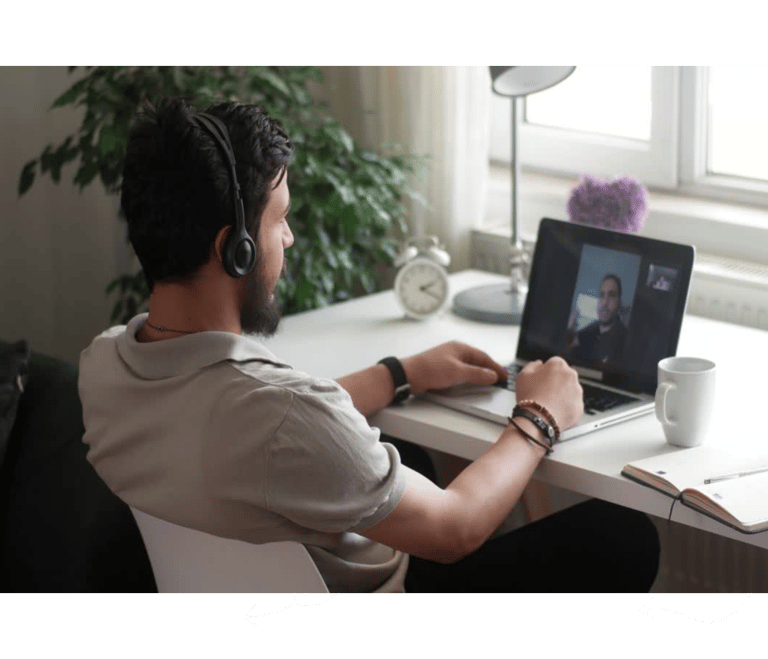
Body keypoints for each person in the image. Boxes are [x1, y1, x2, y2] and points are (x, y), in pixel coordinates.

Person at [78, 98, 659, 593]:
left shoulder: (104, 365)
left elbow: (266, 433)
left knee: (418, 458)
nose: (291, 236)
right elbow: (453, 530)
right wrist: (539, 417)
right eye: (280, 218)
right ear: (237, 249)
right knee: (621, 535)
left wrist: (399, 373)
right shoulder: (278, 414)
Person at [568, 274, 628, 365]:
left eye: (611, 295)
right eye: (602, 295)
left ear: (619, 301)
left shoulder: (625, 340)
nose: (604, 302)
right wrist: (569, 331)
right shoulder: (586, 332)